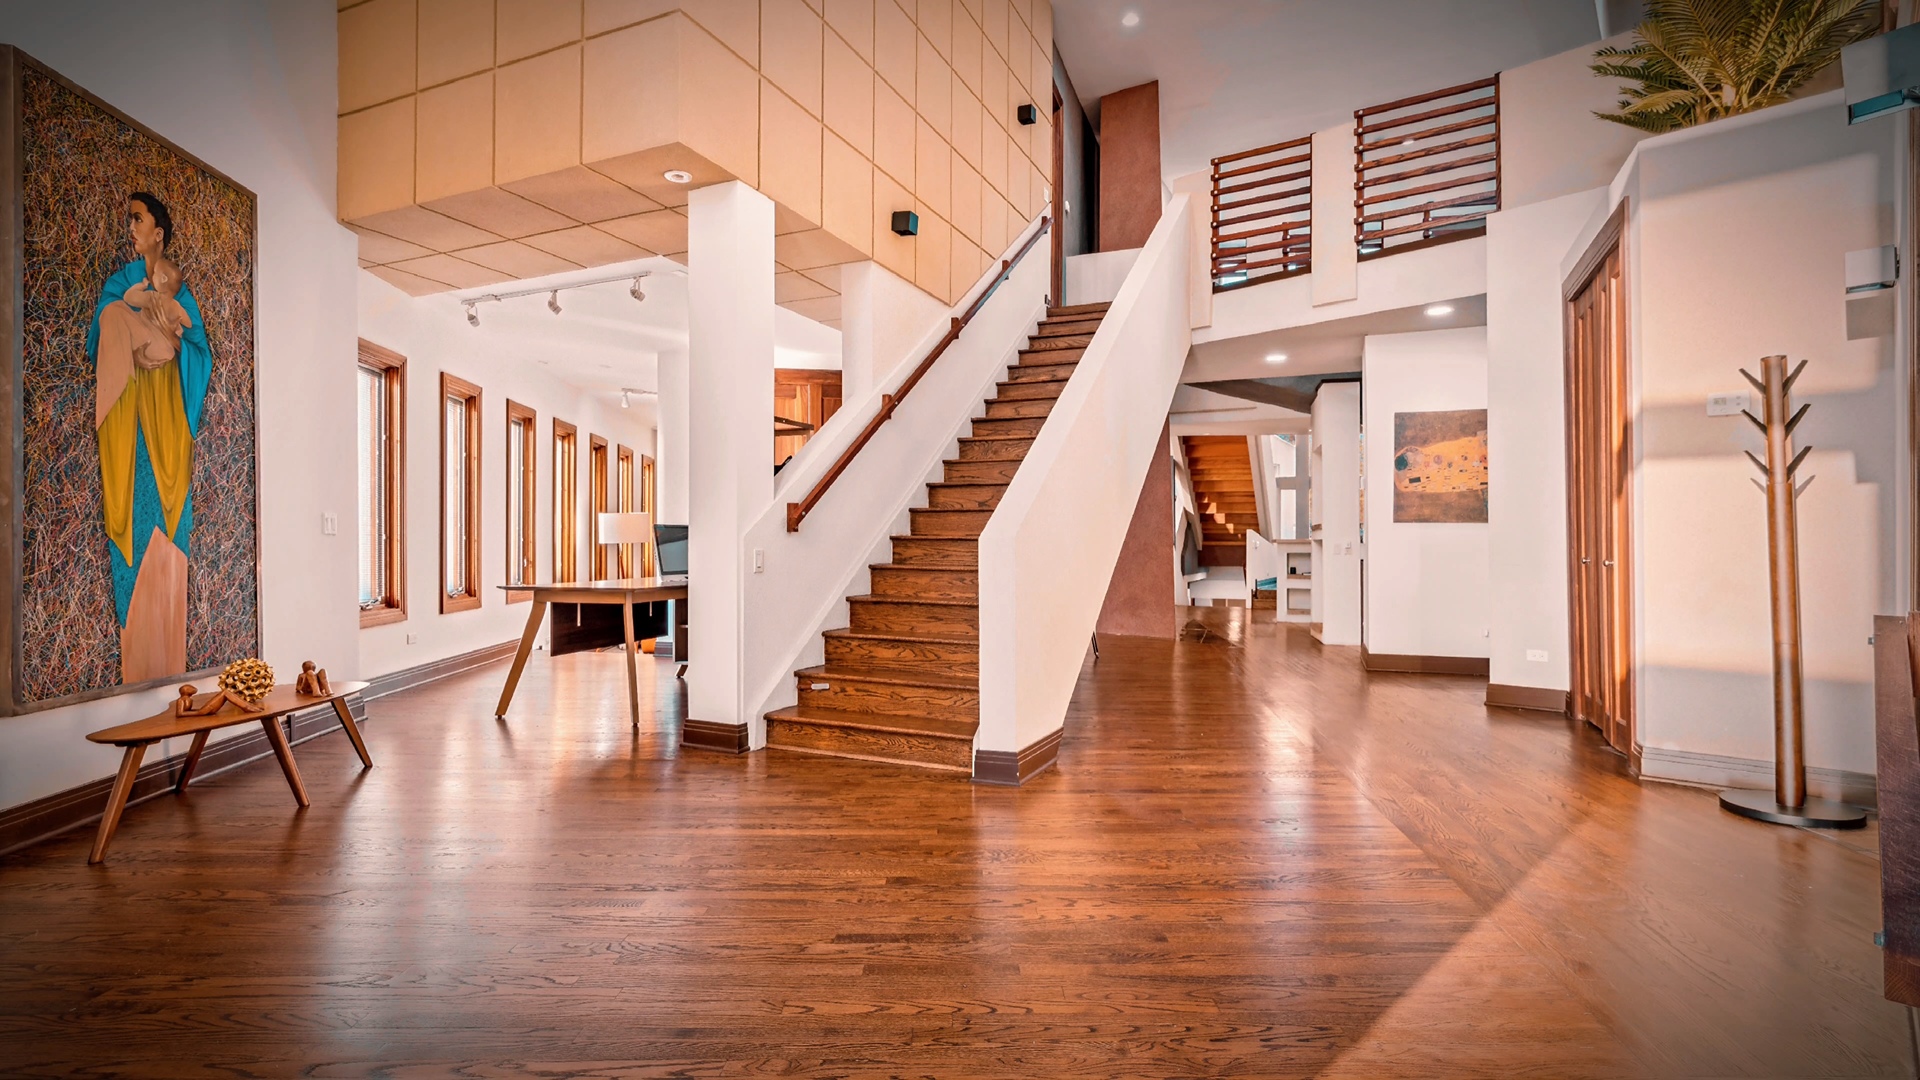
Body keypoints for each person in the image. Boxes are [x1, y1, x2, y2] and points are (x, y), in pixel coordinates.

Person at [90, 191, 210, 683]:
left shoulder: (178, 288)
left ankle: (163, 655)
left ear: (158, 230)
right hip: (128, 410)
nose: (130, 226)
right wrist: (130, 318)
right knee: (116, 315)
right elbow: (103, 328)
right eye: (128, 219)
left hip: (166, 414)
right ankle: (137, 654)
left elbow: (198, 348)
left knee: (167, 513)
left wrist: (173, 339)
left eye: (137, 218)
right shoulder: (121, 283)